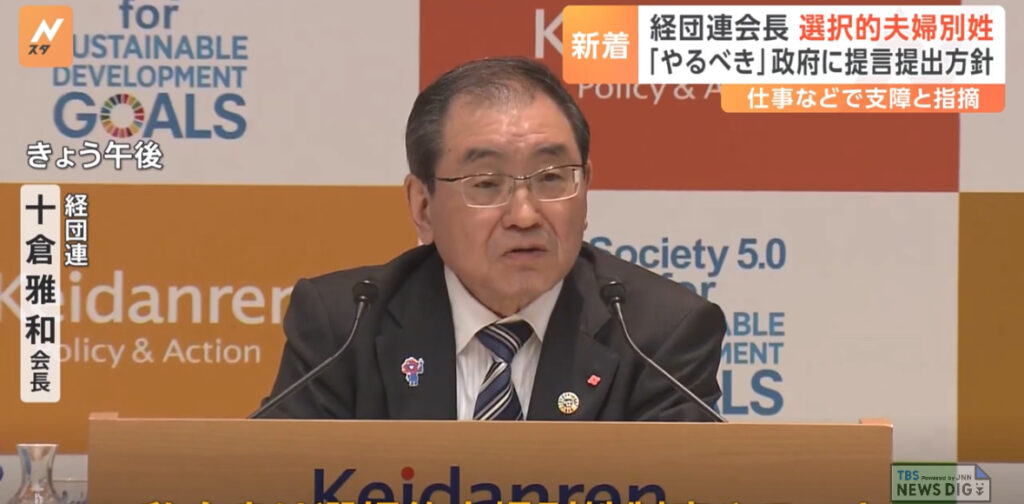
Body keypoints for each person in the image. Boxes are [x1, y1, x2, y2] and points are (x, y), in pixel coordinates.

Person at [259, 56, 727, 421]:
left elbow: (679, 503)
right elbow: (276, 488)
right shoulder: (346, 327)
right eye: (486, 183)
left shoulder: (657, 336)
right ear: (422, 206)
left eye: (552, 178)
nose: (524, 215)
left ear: (585, 188)